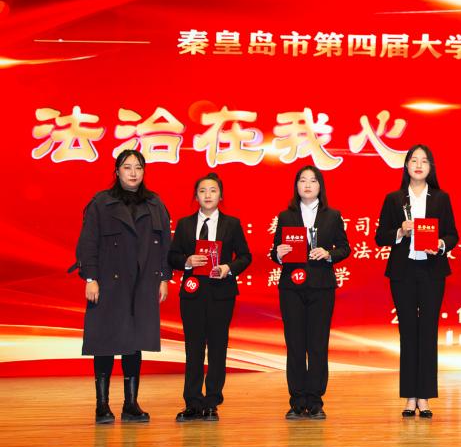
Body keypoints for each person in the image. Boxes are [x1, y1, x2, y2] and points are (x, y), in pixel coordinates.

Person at [74, 149, 171, 424]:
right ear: (117, 172)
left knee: (134, 343)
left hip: (142, 284)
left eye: (138, 167)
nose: (133, 173)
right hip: (108, 283)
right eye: (127, 167)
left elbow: (165, 244)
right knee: (104, 342)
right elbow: (88, 242)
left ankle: (131, 404)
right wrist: (90, 278)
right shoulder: (101, 202)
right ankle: (102, 406)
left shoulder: (154, 203)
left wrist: (164, 278)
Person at [374, 145, 459, 418]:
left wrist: (440, 244)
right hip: (403, 272)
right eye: (414, 160)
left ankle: (425, 397)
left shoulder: (441, 198)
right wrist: (400, 231)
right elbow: (380, 237)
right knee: (408, 332)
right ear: (407, 166)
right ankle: (410, 397)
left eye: (424, 161)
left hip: (432, 271)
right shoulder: (394, 199)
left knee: (428, 332)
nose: (419, 165)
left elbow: (453, 235)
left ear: (431, 167)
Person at [168, 172, 252, 422]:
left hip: (221, 293)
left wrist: (228, 268)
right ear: (196, 196)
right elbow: (171, 256)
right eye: (202, 191)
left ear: (220, 196)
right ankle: (192, 402)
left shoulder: (231, 224)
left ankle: (212, 402)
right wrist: (187, 261)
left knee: (217, 347)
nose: (207, 195)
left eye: (213, 190)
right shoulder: (184, 224)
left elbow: (245, 256)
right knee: (193, 348)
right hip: (192, 292)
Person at [270, 165, 351, 420]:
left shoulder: (332, 216)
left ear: (320, 186)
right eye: (302, 180)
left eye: (313, 181)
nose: (307, 185)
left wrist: (328, 254)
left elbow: (345, 248)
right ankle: (296, 401)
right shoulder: (286, 216)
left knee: (317, 344)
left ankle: (315, 401)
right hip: (291, 288)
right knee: (295, 344)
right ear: (296, 186)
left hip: (321, 287)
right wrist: (278, 254)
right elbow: (275, 251)